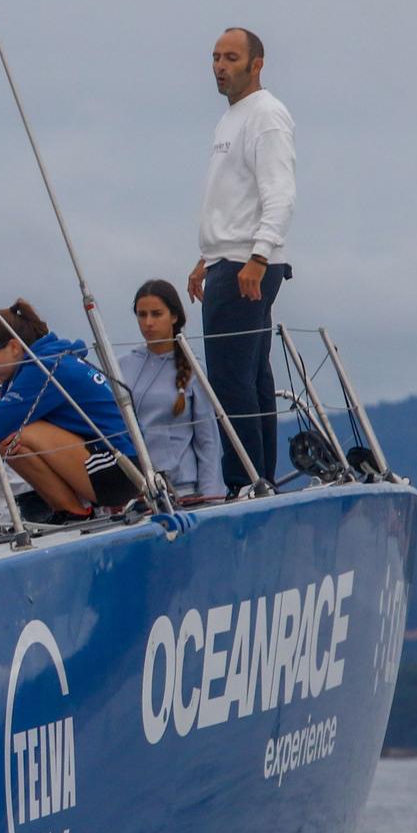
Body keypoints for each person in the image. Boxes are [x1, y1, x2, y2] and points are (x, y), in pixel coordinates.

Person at [187, 27, 294, 494]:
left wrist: (257, 257)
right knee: (251, 378)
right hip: (226, 260)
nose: (219, 66)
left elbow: (280, 195)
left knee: (231, 383)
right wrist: (205, 259)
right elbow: (234, 199)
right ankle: (260, 477)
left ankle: (245, 483)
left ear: (257, 64)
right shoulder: (231, 119)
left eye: (231, 57)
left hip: (247, 266)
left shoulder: (265, 116)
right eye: (215, 57)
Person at [0, 300, 142, 519]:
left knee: (14, 434)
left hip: (120, 470)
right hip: (129, 466)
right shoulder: (51, 361)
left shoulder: (42, 368)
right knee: (11, 437)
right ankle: (68, 512)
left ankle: (74, 512)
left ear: (14, 347)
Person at [119, 279, 223, 500]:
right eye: (142, 315)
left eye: (156, 314)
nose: (148, 323)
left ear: (174, 316)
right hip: (135, 493)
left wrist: (212, 498)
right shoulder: (121, 366)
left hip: (183, 492)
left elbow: (208, 441)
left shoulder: (194, 369)